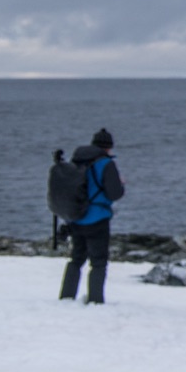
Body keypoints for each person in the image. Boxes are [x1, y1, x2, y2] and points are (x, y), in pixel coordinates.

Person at [59, 128, 125, 304]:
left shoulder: (76, 161)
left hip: (76, 216)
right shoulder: (105, 163)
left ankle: (67, 296)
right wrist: (121, 184)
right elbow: (115, 193)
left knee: (76, 259)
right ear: (108, 147)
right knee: (98, 261)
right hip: (97, 217)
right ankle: (95, 300)